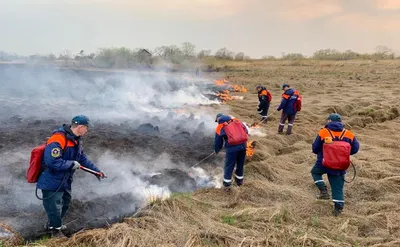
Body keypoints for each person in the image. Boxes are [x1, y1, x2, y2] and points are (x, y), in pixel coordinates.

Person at [37, 115, 106, 237]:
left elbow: (82, 159)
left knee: (65, 202)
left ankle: (54, 223)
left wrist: (96, 171)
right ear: (80, 127)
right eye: (86, 128)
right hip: (52, 180)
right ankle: (55, 231)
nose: (87, 130)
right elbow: (51, 162)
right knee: (54, 206)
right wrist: (71, 164)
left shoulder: (75, 140)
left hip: (64, 180)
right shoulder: (58, 139)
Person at [311, 113, 360, 216]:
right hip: (341, 165)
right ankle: (338, 209)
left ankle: (323, 191)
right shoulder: (349, 134)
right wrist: (342, 154)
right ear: (340, 122)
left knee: (315, 172)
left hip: (323, 163)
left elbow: (315, 148)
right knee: (337, 187)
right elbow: (355, 148)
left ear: (329, 121)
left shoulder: (323, 132)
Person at [214, 113, 248, 191]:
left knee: (229, 166)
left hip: (232, 149)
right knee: (240, 163)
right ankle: (239, 182)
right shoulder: (236, 121)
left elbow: (218, 142)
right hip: (243, 146)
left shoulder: (220, 127)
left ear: (218, 119)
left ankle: (226, 185)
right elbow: (246, 131)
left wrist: (216, 151)